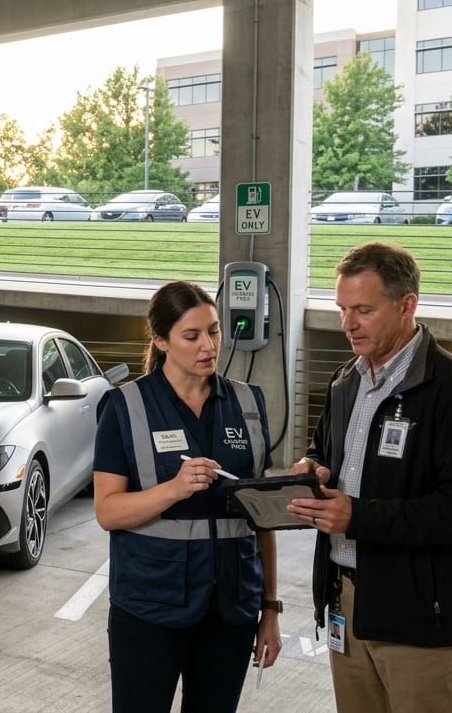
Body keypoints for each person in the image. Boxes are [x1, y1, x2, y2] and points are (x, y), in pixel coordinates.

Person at [287, 241, 452, 713]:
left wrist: (358, 517)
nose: (348, 324)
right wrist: (313, 468)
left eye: (363, 309)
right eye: (343, 309)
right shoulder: (347, 381)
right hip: (347, 601)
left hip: (422, 618)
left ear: (407, 305)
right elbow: (324, 450)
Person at [94, 280, 281, 713]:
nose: (208, 346)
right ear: (160, 341)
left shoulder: (248, 402)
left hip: (231, 610)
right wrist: (173, 490)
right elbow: (107, 511)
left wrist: (269, 609)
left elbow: (262, 519)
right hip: (148, 608)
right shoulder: (126, 406)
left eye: (214, 331)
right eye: (192, 336)